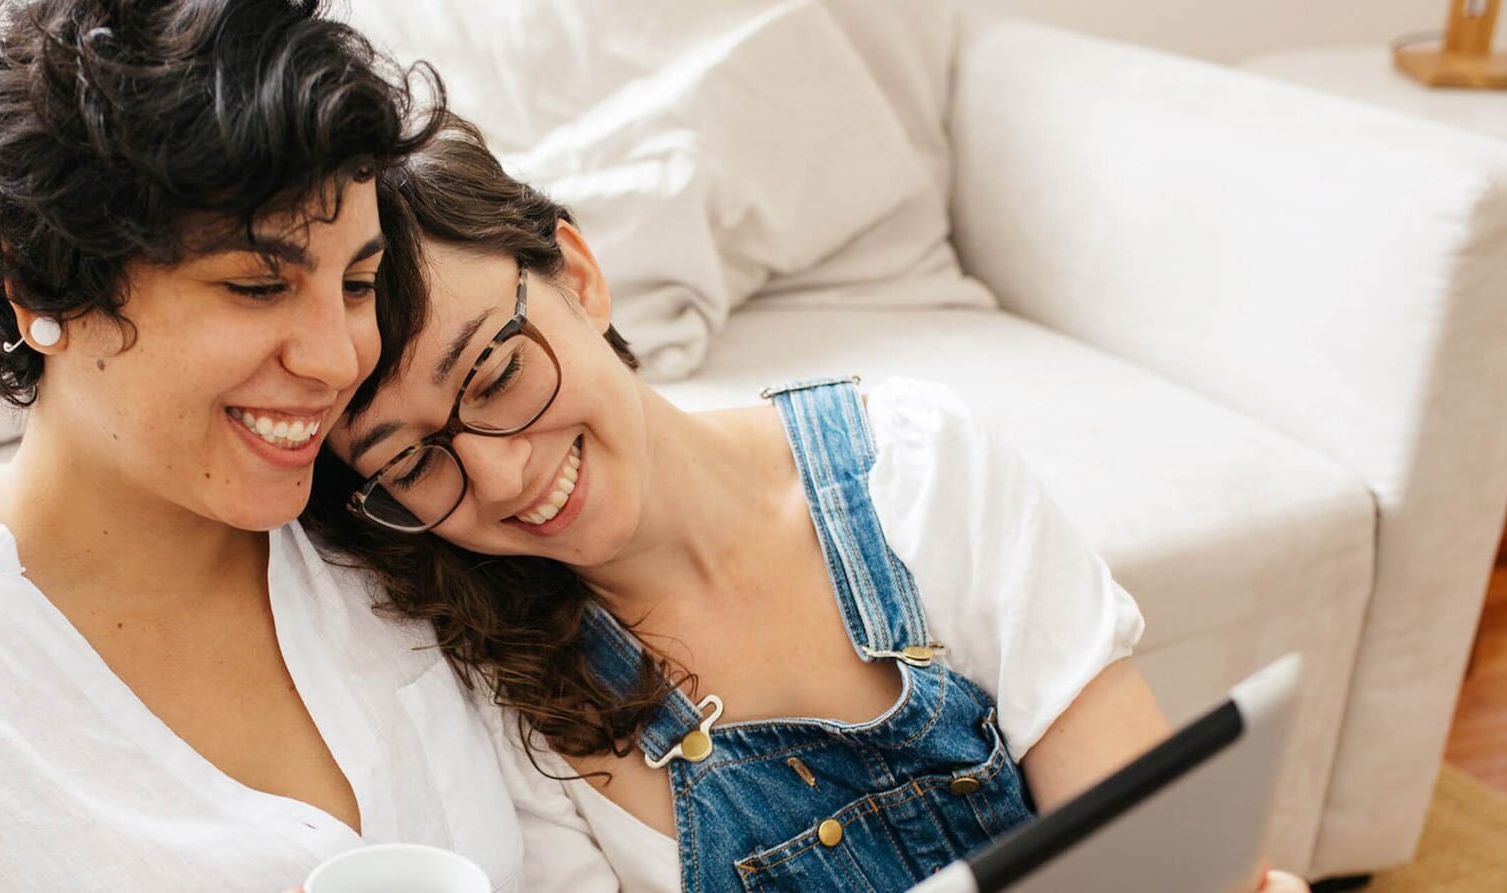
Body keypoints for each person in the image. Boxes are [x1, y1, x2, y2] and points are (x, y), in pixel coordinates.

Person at [0, 4, 613, 891]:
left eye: (355, 282)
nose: (337, 354)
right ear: (45, 286)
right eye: (256, 286)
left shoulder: (392, 539)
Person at [301, 116, 1311, 893]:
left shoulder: (919, 468)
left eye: (492, 373)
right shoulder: (501, 707)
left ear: (577, 277)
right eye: (414, 460)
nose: (502, 475)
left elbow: (1148, 836)